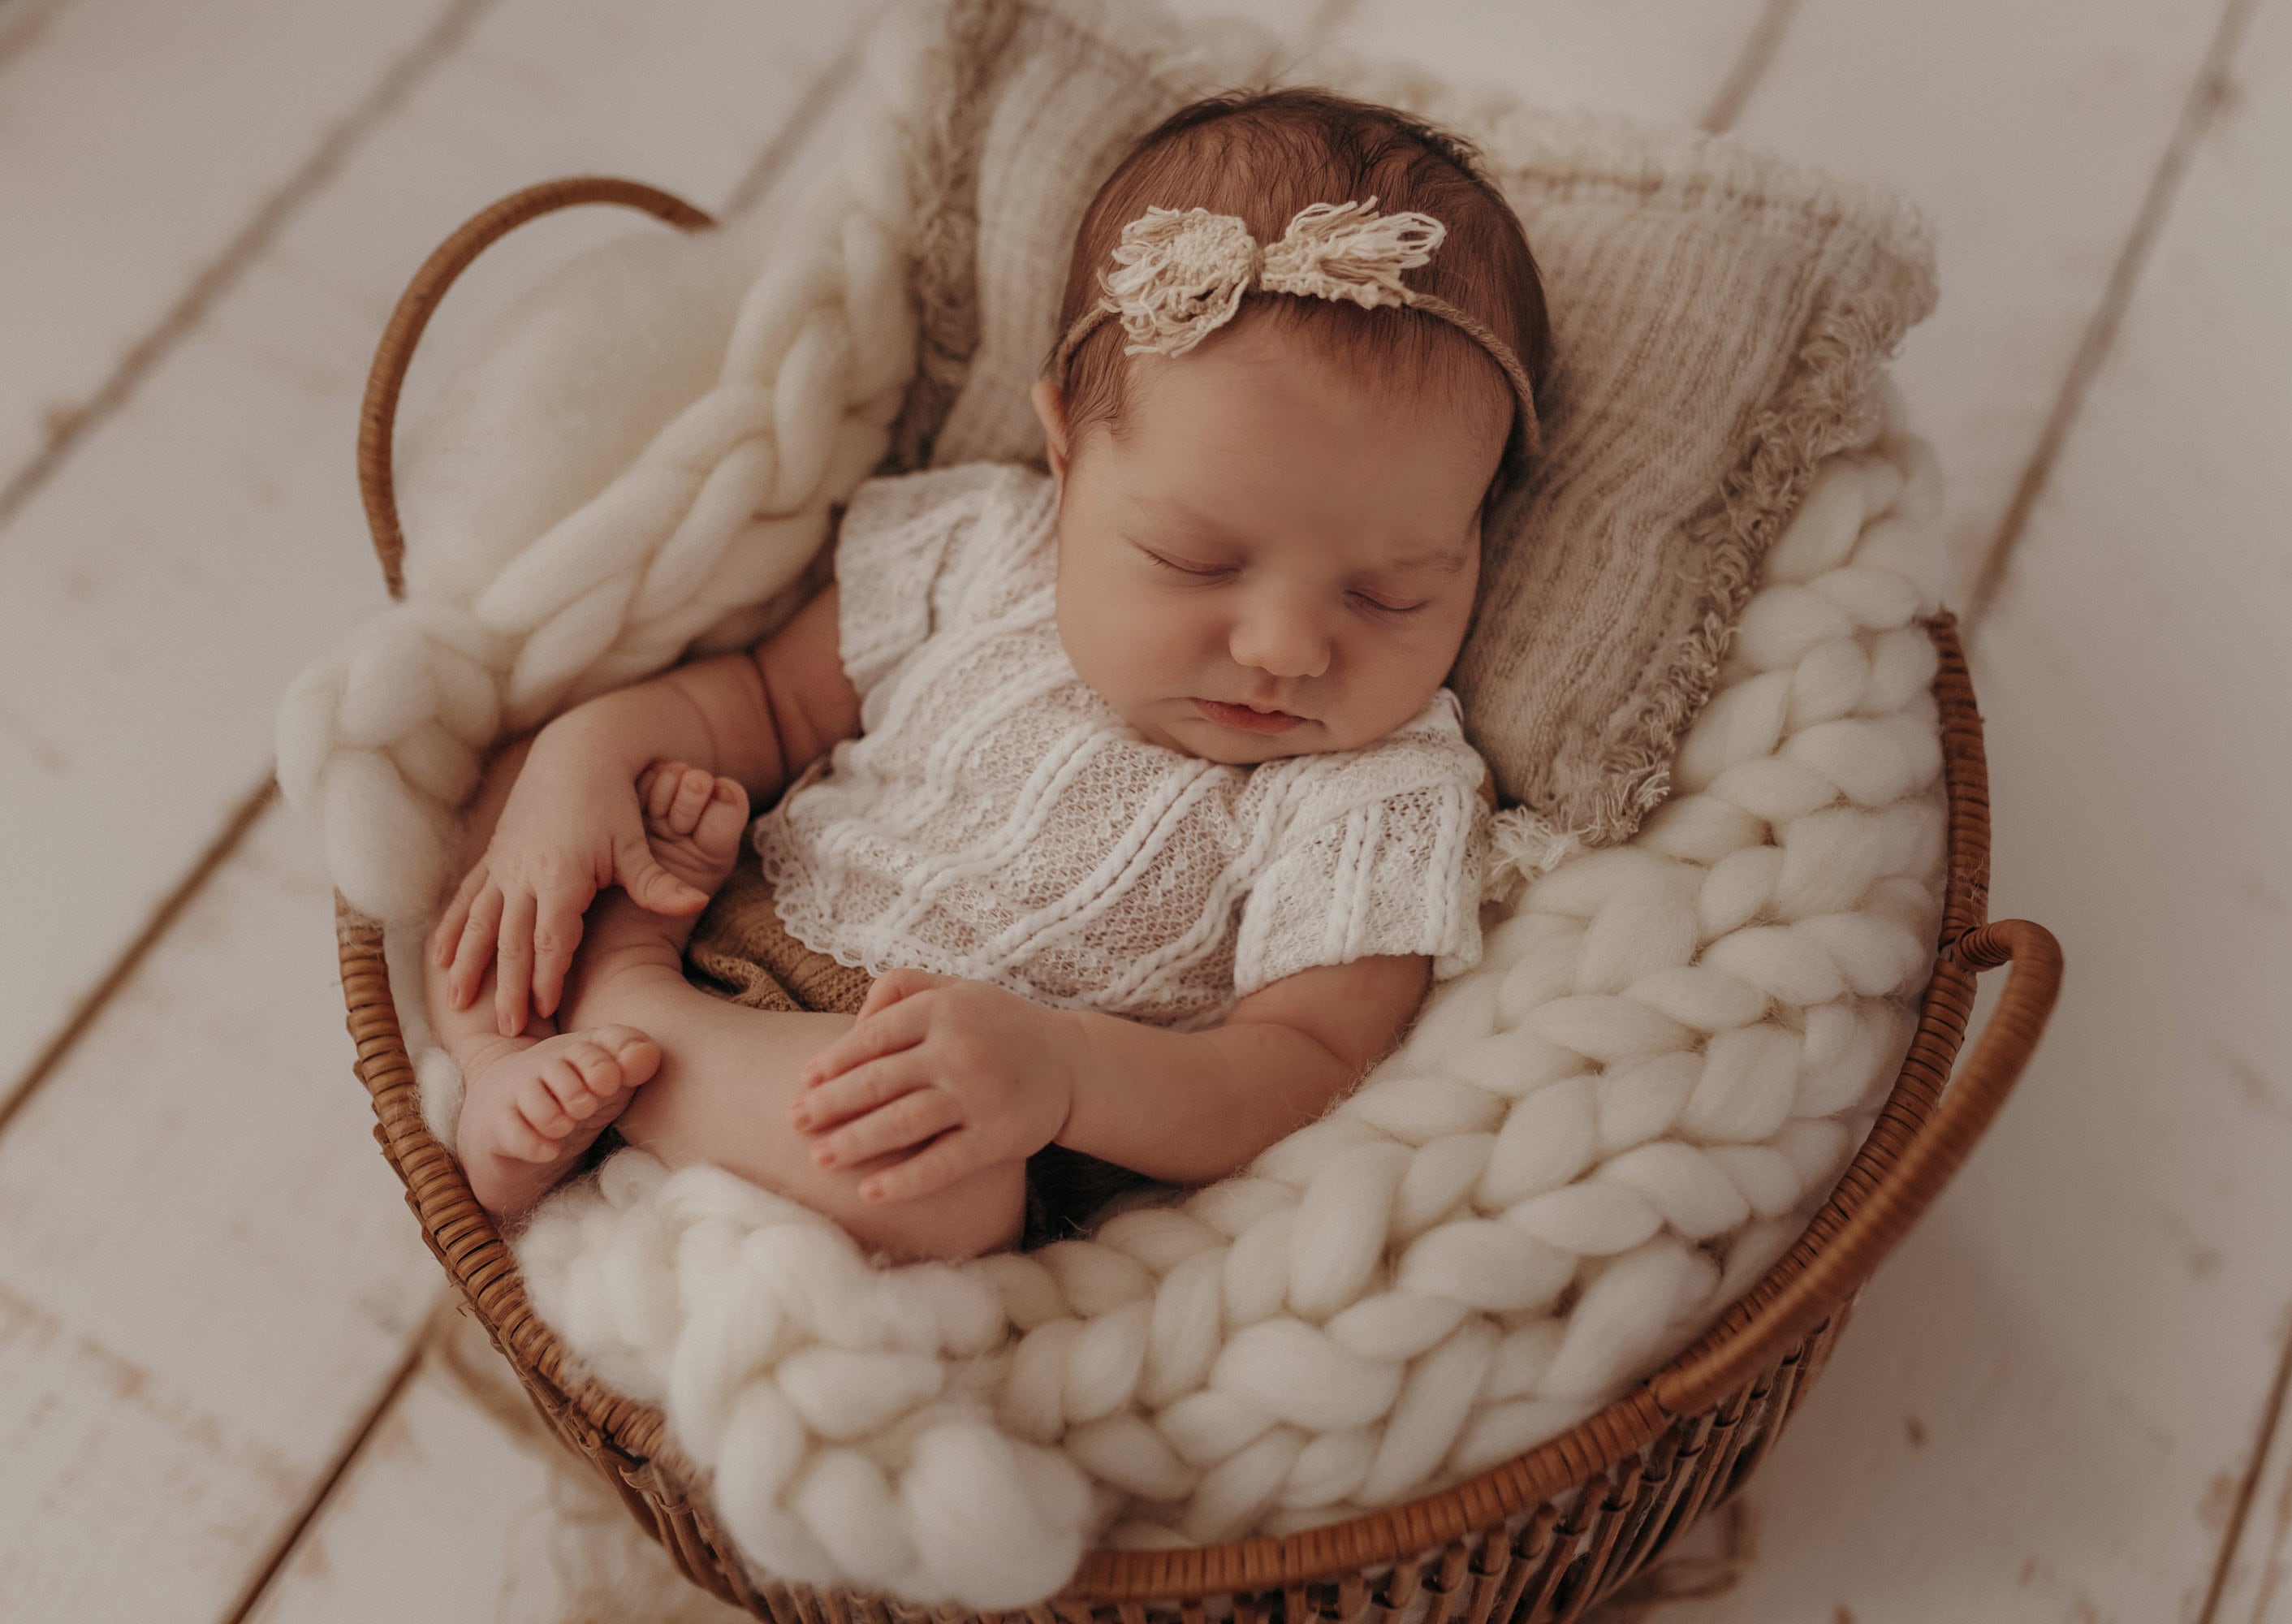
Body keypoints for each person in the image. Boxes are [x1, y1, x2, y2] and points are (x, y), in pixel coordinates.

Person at [420, 87, 1552, 1260]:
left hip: (949, 1122)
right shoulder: (980, 552)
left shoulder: (1382, 789)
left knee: (934, 1191)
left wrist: (1064, 1073)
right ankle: (517, 1045)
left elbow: (1296, 1075)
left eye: (1390, 594)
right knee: (527, 780)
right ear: (1066, 459)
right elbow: (755, 700)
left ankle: (609, 1031)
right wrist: (580, 767)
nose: (1285, 648)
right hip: (720, 913)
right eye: (1192, 559)